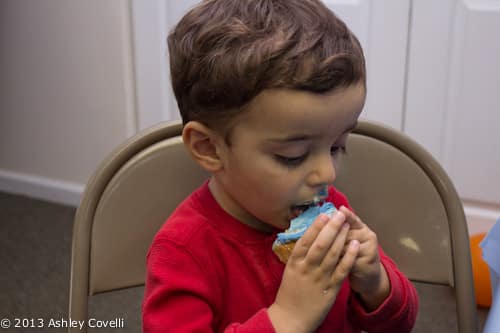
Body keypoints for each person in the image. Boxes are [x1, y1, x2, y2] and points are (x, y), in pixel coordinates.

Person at [142, 0, 419, 332]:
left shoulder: (334, 208)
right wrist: (287, 318)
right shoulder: (184, 253)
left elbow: (399, 324)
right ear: (210, 148)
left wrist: (376, 284)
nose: (327, 174)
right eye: (294, 156)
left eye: (337, 146)